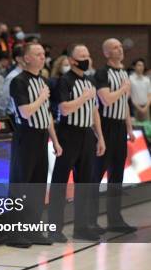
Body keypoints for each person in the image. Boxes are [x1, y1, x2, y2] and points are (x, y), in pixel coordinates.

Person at [48, 44, 106, 242]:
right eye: (82, 55)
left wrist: (100, 137)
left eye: (88, 55)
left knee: (85, 183)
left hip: (87, 134)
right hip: (68, 134)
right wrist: (83, 98)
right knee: (60, 183)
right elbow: (64, 109)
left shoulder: (90, 81)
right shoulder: (64, 81)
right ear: (72, 60)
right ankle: (55, 229)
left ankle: (81, 227)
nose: (86, 58)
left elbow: (95, 111)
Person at [8, 43, 62, 248]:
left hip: (41, 138)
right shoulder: (18, 81)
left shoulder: (42, 81)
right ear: (26, 58)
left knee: (38, 186)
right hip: (26, 137)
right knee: (21, 184)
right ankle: (14, 233)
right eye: (37, 54)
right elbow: (26, 112)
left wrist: (55, 140)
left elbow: (47, 115)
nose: (42, 57)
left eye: (43, 54)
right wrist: (41, 97)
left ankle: (33, 229)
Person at [88, 38, 137, 235]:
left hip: (119, 128)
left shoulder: (124, 72)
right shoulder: (101, 73)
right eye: (115, 47)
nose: (120, 49)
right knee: (97, 175)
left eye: (120, 46)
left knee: (117, 176)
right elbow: (106, 100)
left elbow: (123, 103)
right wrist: (124, 89)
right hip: (105, 127)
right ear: (107, 53)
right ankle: (89, 220)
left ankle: (115, 219)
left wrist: (130, 127)